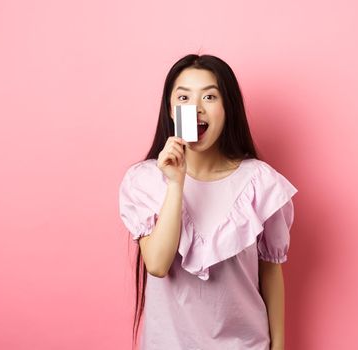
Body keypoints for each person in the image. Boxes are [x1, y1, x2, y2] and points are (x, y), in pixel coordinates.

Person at [118, 54, 298, 350]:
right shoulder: (145, 181)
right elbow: (158, 265)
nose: (196, 107)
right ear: (171, 110)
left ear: (228, 108)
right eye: (184, 97)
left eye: (210, 96)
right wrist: (176, 183)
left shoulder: (260, 182)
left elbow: (270, 272)